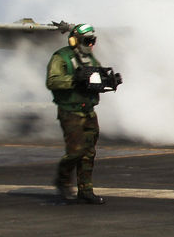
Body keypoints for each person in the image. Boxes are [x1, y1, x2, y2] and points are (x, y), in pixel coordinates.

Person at [46, 23, 122, 205]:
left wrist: (110, 82)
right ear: (75, 40)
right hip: (70, 111)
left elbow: (94, 83)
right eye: (88, 41)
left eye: (93, 41)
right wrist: (74, 79)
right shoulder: (61, 57)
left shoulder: (91, 60)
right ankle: (62, 181)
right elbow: (52, 81)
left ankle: (85, 190)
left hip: (88, 111)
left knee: (89, 152)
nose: (91, 45)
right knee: (75, 152)